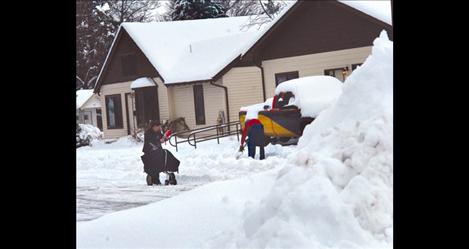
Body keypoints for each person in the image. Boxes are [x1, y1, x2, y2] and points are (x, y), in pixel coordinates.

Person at [141, 121, 179, 186]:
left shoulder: (158, 132)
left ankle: (170, 171)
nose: (159, 128)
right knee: (154, 165)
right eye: (158, 127)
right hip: (149, 151)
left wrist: (165, 138)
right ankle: (155, 180)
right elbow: (150, 141)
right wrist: (159, 141)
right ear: (154, 126)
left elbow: (161, 138)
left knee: (164, 156)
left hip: (158, 150)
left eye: (160, 127)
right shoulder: (148, 133)